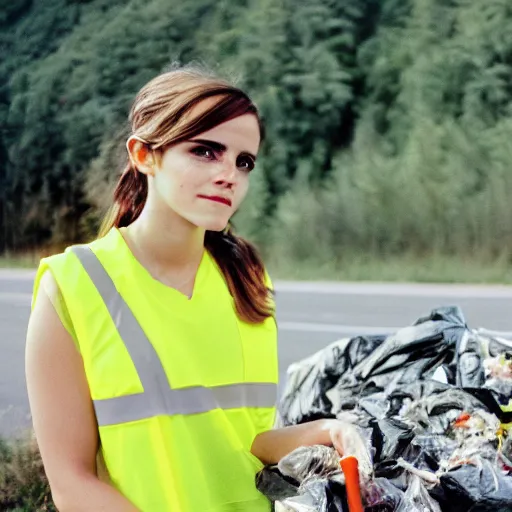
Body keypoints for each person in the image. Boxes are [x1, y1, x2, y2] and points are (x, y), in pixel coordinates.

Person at [26, 66, 356, 512]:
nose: (230, 175)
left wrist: (325, 431)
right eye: (205, 151)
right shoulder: (73, 284)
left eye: (244, 161)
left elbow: (246, 441)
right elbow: (71, 482)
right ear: (145, 155)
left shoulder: (249, 282)